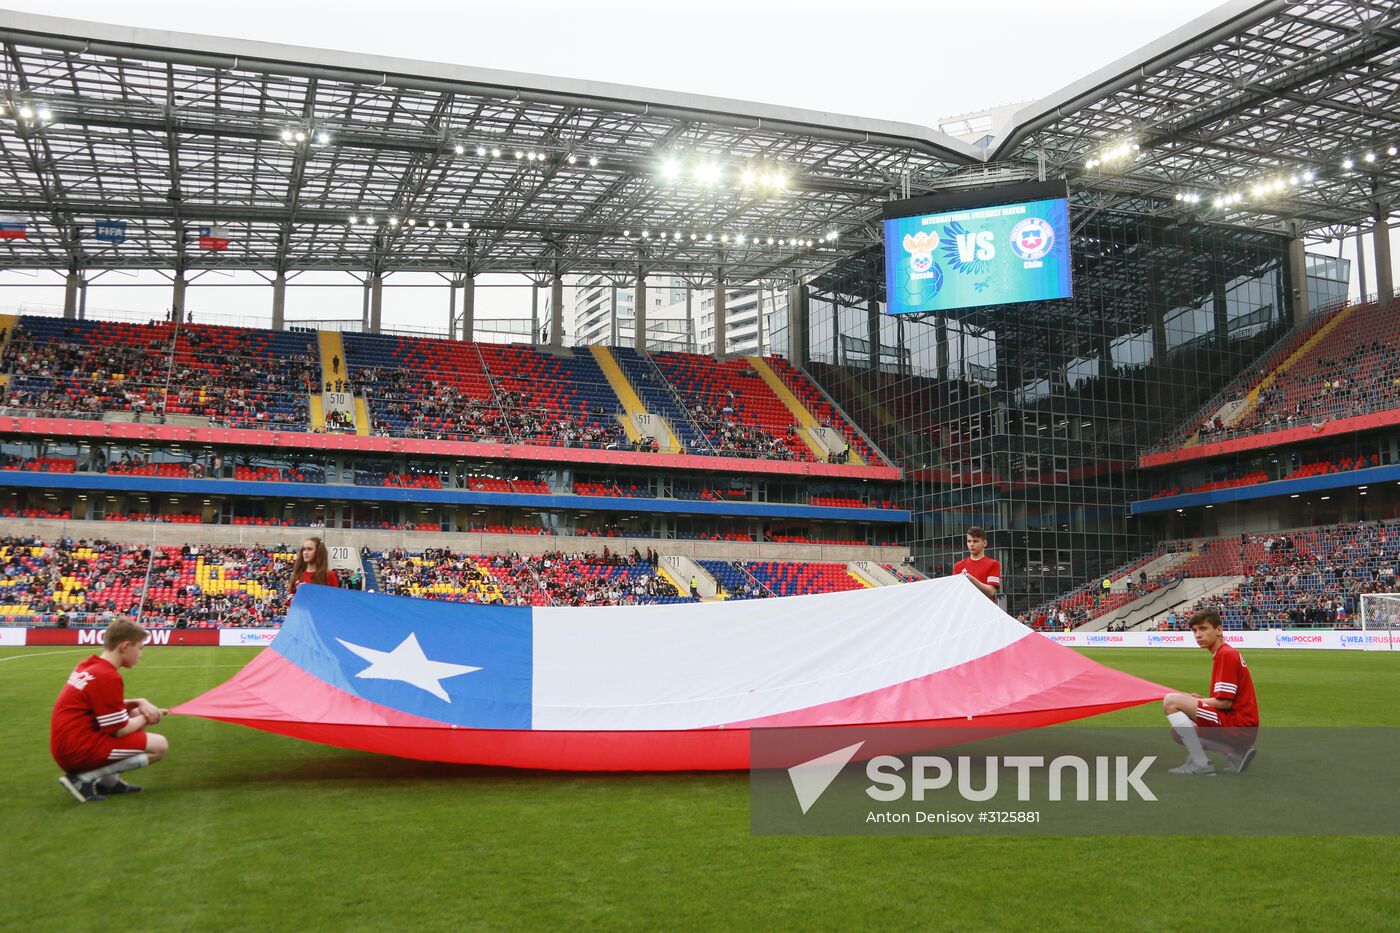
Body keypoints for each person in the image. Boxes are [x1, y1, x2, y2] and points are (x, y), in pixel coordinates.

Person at [51, 617, 170, 803]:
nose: (141, 655)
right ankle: (83, 779)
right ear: (125, 646)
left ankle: (109, 783)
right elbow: (118, 730)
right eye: (140, 648)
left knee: (134, 713)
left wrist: (140, 702)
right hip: (77, 751)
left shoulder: (90, 665)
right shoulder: (107, 676)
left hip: (67, 745)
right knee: (159, 746)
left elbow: (102, 704)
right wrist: (148, 716)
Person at [1161, 609, 1259, 776]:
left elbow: (1224, 703)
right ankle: (1234, 752)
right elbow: (1224, 700)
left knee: (1171, 701)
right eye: (1194, 630)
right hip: (1241, 726)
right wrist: (1197, 700)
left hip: (1238, 725)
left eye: (1203, 628)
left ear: (1218, 630)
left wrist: (1197, 702)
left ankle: (1200, 763)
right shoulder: (1224, 653)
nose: (1198, 635)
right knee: (1178, 732)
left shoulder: (1226, 654)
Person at [952, 525, 1001, 601]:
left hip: (984, 607)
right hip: (965, 607)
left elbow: (991, 592)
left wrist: (971, 579)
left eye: (975, 541)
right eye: (969, 541)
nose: (971, 544)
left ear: (984, 543)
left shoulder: (993, 564)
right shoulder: (958, 566)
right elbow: (955, 591)